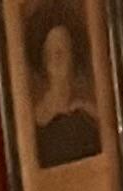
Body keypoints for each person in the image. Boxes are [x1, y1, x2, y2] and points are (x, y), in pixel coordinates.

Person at [27, 5, 104, 167]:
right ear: (44, 61)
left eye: (62, 52)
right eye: (51, 53)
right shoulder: (36, 124)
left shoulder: (88, 117)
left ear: (73, 56)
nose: (57, 60)